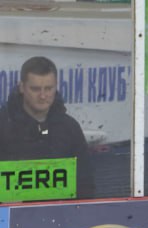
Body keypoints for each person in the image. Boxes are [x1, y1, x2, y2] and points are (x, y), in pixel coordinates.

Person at [0, 56, 94, 198]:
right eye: (35, 89)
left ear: (56, 86)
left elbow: (85, 185)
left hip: (62, 216)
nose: (43, 96)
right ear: (22, 87)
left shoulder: (70, 128)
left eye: (49, 88)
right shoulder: (3, 126)